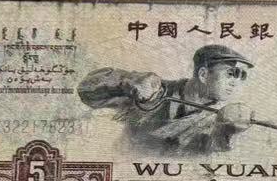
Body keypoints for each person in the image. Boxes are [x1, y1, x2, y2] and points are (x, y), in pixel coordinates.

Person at [78, 44, 258, 156]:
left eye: (242, 76)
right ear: (203, 74)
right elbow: (86, 91)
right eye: (231, 73)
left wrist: (228, 132)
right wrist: (126, 81)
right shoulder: (151, 92)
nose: (236, 82)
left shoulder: (224, 120)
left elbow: (209, 154)